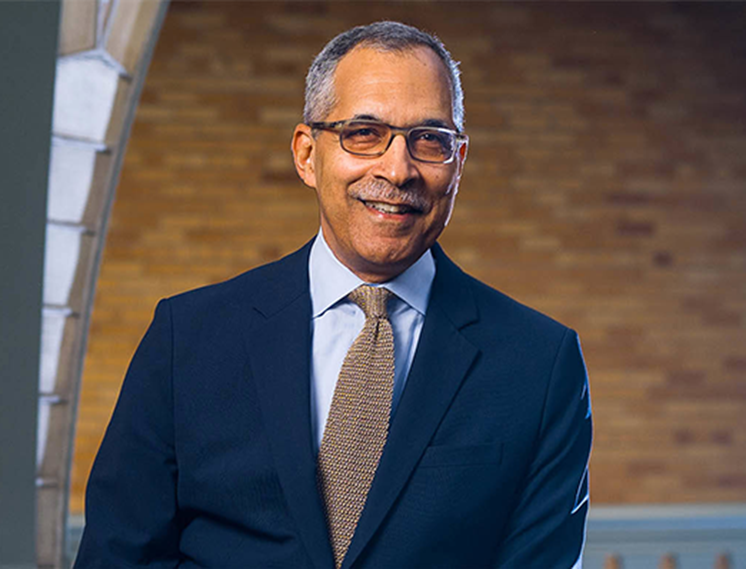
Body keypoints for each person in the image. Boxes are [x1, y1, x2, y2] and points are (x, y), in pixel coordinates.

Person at [75, 21, 592, 569]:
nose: (397, 169)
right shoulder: (188, 338)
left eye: (430, 140)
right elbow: (117, 557)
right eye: (364, 133)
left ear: (458, 164)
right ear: (306, 154)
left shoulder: (540, 364)